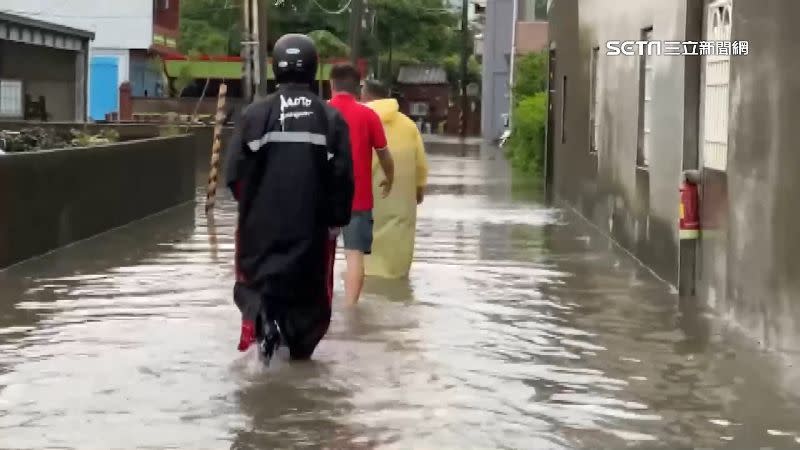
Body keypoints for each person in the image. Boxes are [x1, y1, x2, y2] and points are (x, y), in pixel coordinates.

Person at [224, 33, 354, 364]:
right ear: (314, 69)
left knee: (254, 285)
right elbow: (342, 180)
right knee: (310, 302)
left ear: (275, 67)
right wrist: (335, 223)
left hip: (259, 234)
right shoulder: (331, 119)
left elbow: (234, 176)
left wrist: (253, 212)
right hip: (310, 235)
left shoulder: (255, 114)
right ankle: (297, 357)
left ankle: (264, 325)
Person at [328, 64, 394, 306]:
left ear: (331, 85)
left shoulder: (320, 112)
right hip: (358, 199)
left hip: (322, 199)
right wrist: (390, 177)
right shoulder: (368, 115)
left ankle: (320, 306)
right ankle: (351, 310)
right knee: (355, 257)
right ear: (358, 87)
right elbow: (385, 155)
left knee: (318, 256)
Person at [361, 80, 429, 279]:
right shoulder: (408, 125)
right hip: (401, 203)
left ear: (365, 96)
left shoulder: (359, 121)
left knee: (364, 268)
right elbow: (421, 165)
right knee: (396, 266)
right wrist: (418, 191)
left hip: (366, 201)